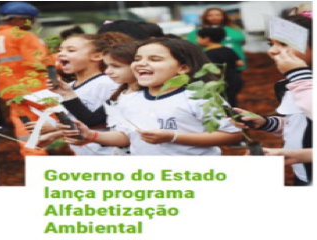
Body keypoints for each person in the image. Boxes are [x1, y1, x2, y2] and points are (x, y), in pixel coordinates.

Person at [62, 38, 242, 155]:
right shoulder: (129, 98)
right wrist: (92, 135)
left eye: (155, 60)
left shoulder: (200, 96)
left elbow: (232, 135)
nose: (142, 64)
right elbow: (127, 136)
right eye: (138, 59)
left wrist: (173, 136)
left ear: (183, 68)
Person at [232, 11, 312, 186]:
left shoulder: (300, 82)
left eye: (284, 44)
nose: (273, 51)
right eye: (271, 44)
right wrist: (266, 123)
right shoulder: (290, 85)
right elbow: (299, 125)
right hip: (303, 174)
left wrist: (298, 74)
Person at [35, 34, 121, 155]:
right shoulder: (68, 86)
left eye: (71, 50)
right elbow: (76, 120)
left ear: (97, 56)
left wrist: (55, 127)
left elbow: (103, 121)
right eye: (60, 50)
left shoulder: (107, 84)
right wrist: (54, 134)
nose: (61, 54)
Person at [0, 1, 50, 156]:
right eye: (30, 20)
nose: (32, 24)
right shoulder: (24, 36)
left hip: (12, 93)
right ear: (18, 20)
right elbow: (40, 62)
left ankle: (36, 161)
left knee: (26, 129)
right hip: (38, 91)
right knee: (65, 123)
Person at [197, 26, 244, 107]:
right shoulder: (227, 49)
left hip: (222, 84)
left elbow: (216, 70)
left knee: (223, 103)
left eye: (198, 37)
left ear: (206, 39)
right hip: (235, 79)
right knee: (231, 101)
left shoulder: (207, 54)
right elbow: (240, 63)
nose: (196, 40)